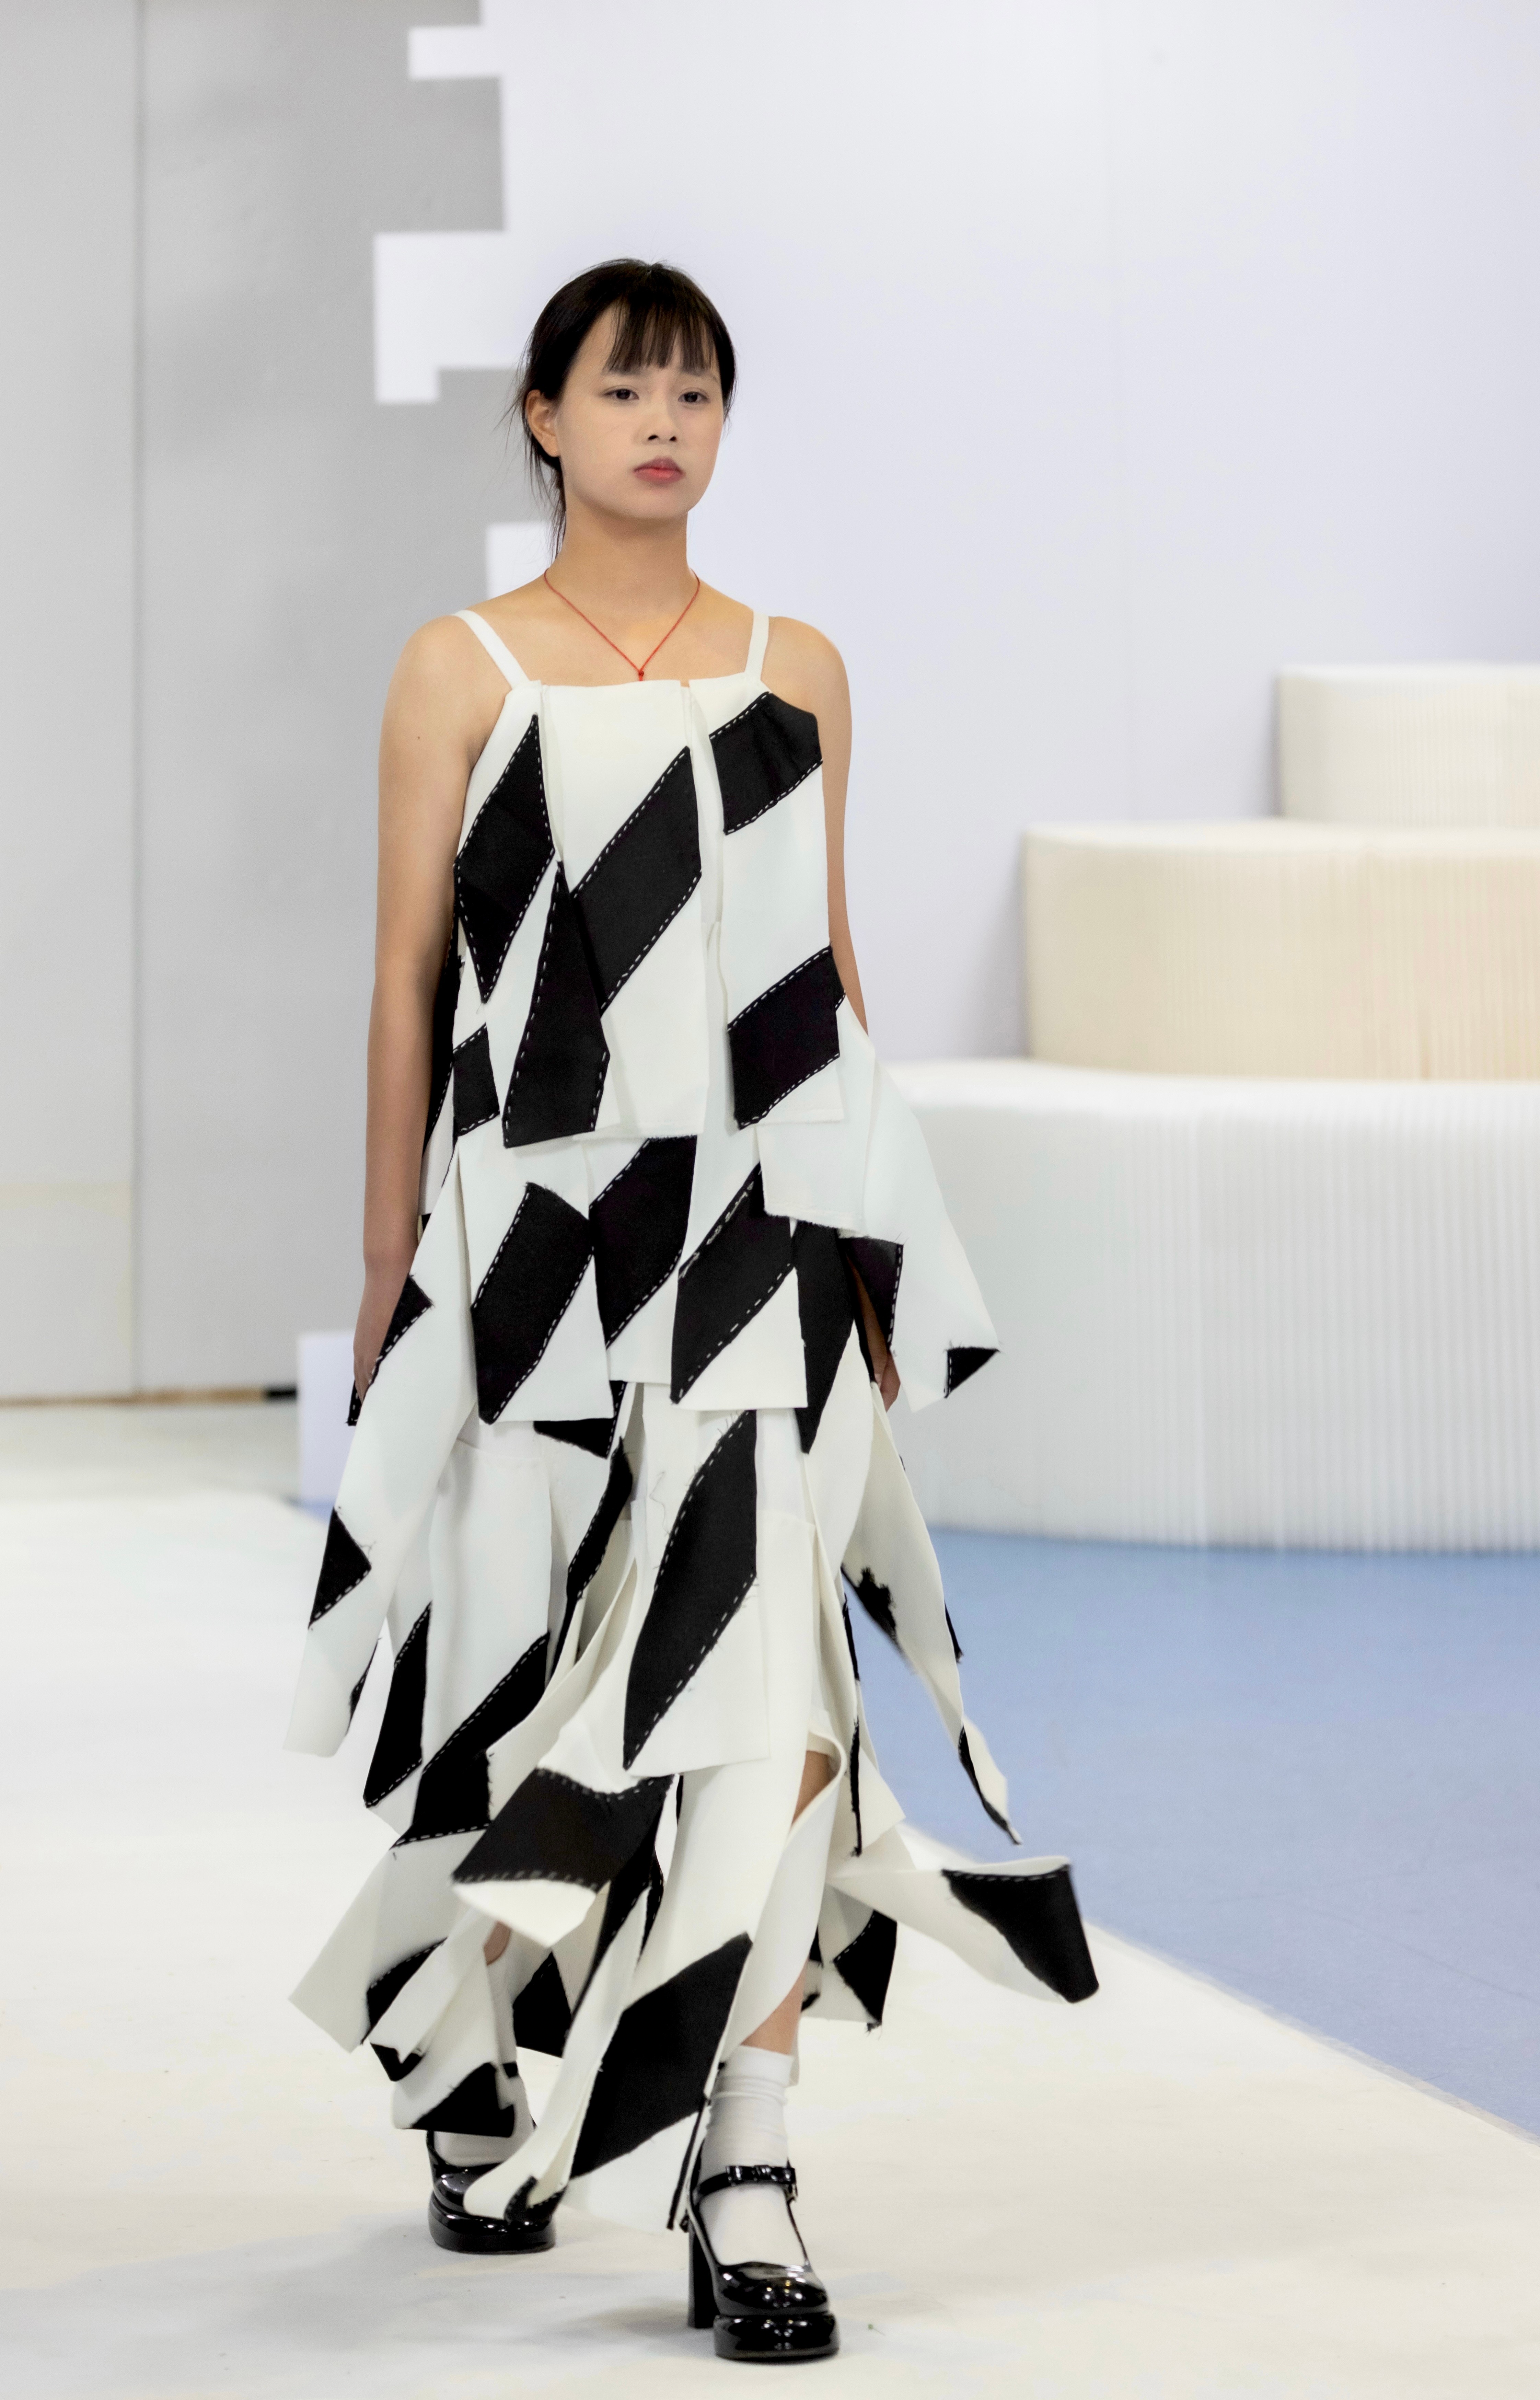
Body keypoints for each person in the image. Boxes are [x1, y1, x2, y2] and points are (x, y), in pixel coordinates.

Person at [287, 258, 1096, 2366]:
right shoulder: (457, 670)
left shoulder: (792, 668)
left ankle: (745, 2158)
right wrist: (385, 1274)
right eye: (625, 387)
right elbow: (404, 981)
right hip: (533, 1245)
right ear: (543, 417)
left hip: (755, 1236)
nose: (663, 422)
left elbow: (821, 973)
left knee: (770, 1682)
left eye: (696, 392)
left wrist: (878, 1246)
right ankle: (470, 2051)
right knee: (524, 1678)